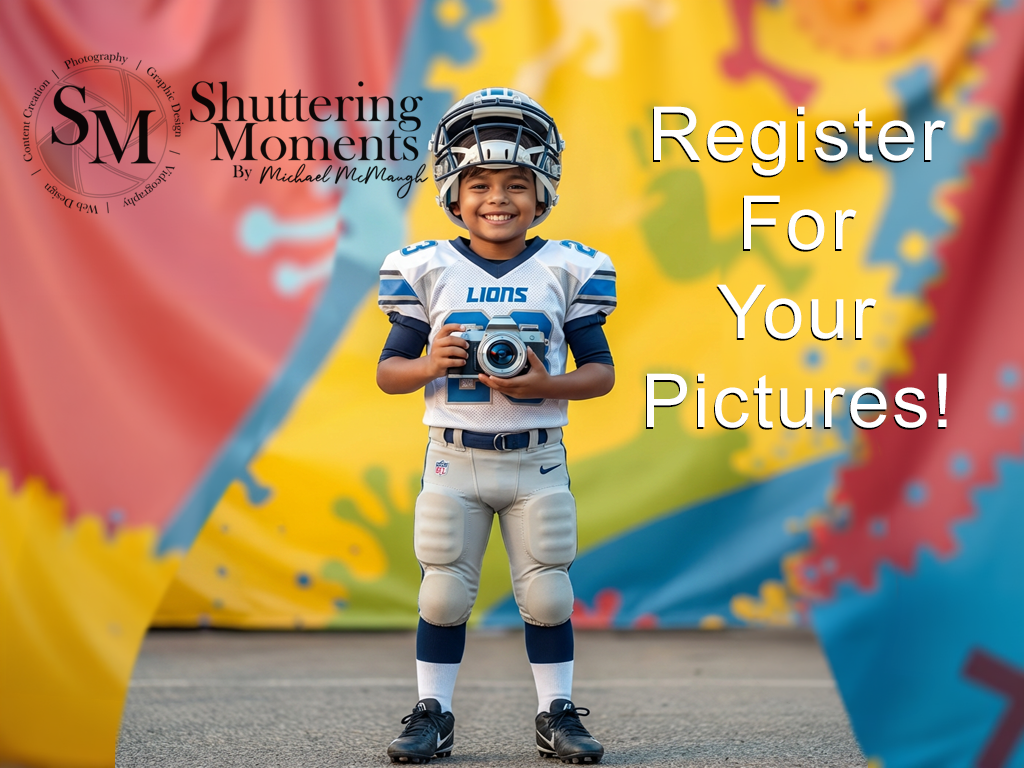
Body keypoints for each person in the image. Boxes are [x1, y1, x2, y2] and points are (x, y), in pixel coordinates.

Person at [376, 87, 616, 765]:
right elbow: (388, 371)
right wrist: (429, 364)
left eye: (517, 182)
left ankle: (555, 713)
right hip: (454, 454)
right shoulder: (426, 267)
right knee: (444, 591)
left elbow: (601, 372)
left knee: (547, 590)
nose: (498, 198)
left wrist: (546, 383)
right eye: (479, 183)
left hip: (535, 455)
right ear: (453, 190)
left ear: (543, 191)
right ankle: (434, 713)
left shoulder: (569, 267)